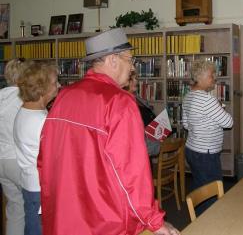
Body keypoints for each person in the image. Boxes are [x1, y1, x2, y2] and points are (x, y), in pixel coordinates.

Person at [37, 28, 179, 235]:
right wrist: (154, 221)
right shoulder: (119, 102)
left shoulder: (63, 97)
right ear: (113, 60)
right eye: (130, 60)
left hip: (63, 217)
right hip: (105, 220)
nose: (132, 68)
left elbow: (44, 160)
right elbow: (131, 172)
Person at [14, 60, 59, 235]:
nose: (59, 86)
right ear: (42, 89)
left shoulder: (24, 111)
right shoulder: (42, 121)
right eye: (55, 83)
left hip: (29, 182)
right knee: (39, 228)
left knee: (32, 223)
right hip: (41, 186)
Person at [182, 60, 233, 211]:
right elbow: (228, 122)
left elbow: (186, 124)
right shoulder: (208, 100)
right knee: (212, 193)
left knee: (200, 188)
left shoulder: (188, 97)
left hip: (192, 150)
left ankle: (198, 221)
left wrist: (207, 120)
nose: (214, 78)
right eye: (211, 75)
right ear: (201, 77)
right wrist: (218, 108)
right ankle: (210, 225)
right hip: (206, 154)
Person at [0, 59, 26, 235]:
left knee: (15, 209)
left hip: (1, 159)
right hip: (18, 160)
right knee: (35, 207)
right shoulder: (24, 99)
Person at [125, 70, 160, 156]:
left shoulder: (137, 97)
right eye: (132, 79)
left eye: (136, 78)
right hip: (142, 145)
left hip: (153, 137)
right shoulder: (124, 101)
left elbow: (149, 114)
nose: (136, 81)